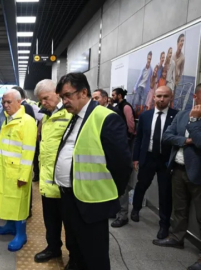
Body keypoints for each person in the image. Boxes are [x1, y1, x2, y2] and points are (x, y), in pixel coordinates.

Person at [55, 73, 132, 270]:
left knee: (94, 253)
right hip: (70, 196)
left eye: (67, 96)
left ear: (83, 92)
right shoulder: (75, 117)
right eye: (62, 97)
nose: (64, 102)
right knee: (75, 244)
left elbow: (122, 163)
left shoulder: (105, 118)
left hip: (91, 201)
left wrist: (112, 192)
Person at [153, 84, 201, 270]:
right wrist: (186, 140)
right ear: (196, 96)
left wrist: (194, 123)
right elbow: (167, 136)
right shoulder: (182, 115)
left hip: (198, 174)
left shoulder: (192, 118)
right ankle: (176, 237)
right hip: (178, 170)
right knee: (179, 209)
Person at [0, 89, 37, 252]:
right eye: (3, 102)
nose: (5, 105)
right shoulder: (8, 119)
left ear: (19, 102)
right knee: (7, 199)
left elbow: (28, 151)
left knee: (19, 203)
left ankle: (21, 234)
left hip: (17, 172)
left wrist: (23, 175)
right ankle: (9, 225)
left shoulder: (27, 122)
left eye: (8, 102)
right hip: (4, 169)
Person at [129, 86, 178, 239]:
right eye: (159, 96)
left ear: (171, 97)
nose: (161, 99)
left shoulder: (176, 116)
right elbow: (139, 138)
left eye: (165, 96)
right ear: (154, 97)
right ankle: (136, 209)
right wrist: (135, 158)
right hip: (148, 157)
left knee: (165, 192)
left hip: (166, 160)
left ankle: (164, 224)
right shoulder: (145, 115)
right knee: (141, 185)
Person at [33, 79, 72, 263]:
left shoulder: (70, 115)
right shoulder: (46, 116)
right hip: (48, 179)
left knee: (70, 223)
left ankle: (75, 257)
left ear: (57, 93)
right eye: (41, 100)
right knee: (50, 219)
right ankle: (53, 248)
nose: (43, 103)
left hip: (65, 182)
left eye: (46, 98)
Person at [111, 88, 136, 228]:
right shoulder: (117, 107)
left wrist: (124, 140)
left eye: (114, 95)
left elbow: (131, 126)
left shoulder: (126, 107)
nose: (112, 97)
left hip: (124, 148)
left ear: (120, 96)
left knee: (123, 184)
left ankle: (123, 215)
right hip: (117, 148)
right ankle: (116, 211)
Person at [132, 51, 153, 115]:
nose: (149, 60)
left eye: (150, 59)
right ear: (147, 58)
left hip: (145, 89)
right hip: (139, 87)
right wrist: (135, 88)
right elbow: (139, 78)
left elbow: (150, 79)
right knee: (136, 103)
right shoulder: (143, 68)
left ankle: (139, 117)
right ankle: (134, 115)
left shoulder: (151, 69)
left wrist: (149, 89)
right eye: (148, 58)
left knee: (142, 105)